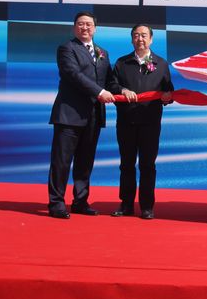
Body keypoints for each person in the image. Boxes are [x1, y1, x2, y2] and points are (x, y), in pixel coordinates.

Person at [47, 11, 115, 219]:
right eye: (80, 24)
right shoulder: (67, 48)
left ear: (95, 28)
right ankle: (56, 203)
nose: (84, 27)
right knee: (61, 161)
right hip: (69, 114)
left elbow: (110, 81)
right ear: (74, 27)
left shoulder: (103, 52)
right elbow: (73, 75)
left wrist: (126, 90)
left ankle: (80, 201)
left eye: (88, 24)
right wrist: (100, 92)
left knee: (85, 162)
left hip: (93, 115)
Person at [109, 24, 173, 220]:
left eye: (144, 35)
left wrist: (167, 97)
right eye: (136, 35)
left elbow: (168, 90)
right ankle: (126, 204)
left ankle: (147, 206)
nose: (140, 39)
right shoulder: (122, 62)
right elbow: (111, 85)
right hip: (126, 122)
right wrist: (122, 90)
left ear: (151, 39)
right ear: (131, 39)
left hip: (150, 123)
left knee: (147, 165)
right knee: (126, 164)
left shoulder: (161, 64)